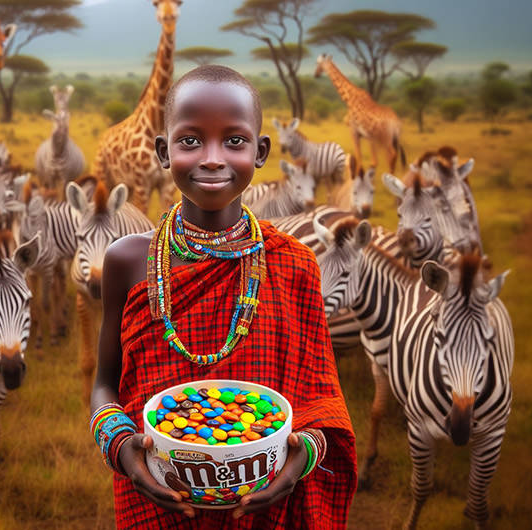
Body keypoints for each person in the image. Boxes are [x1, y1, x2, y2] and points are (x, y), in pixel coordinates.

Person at [90, 64, 356, 529]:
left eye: (234, 141)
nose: (212, 158)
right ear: (163, 152)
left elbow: (322, 399)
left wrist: (300, 462)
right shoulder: (127, 261)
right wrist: (121, 447)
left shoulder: (294, 264)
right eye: (190, 140)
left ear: (260, 151)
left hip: (265, 494)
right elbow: (104, 385)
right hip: (156, 493)